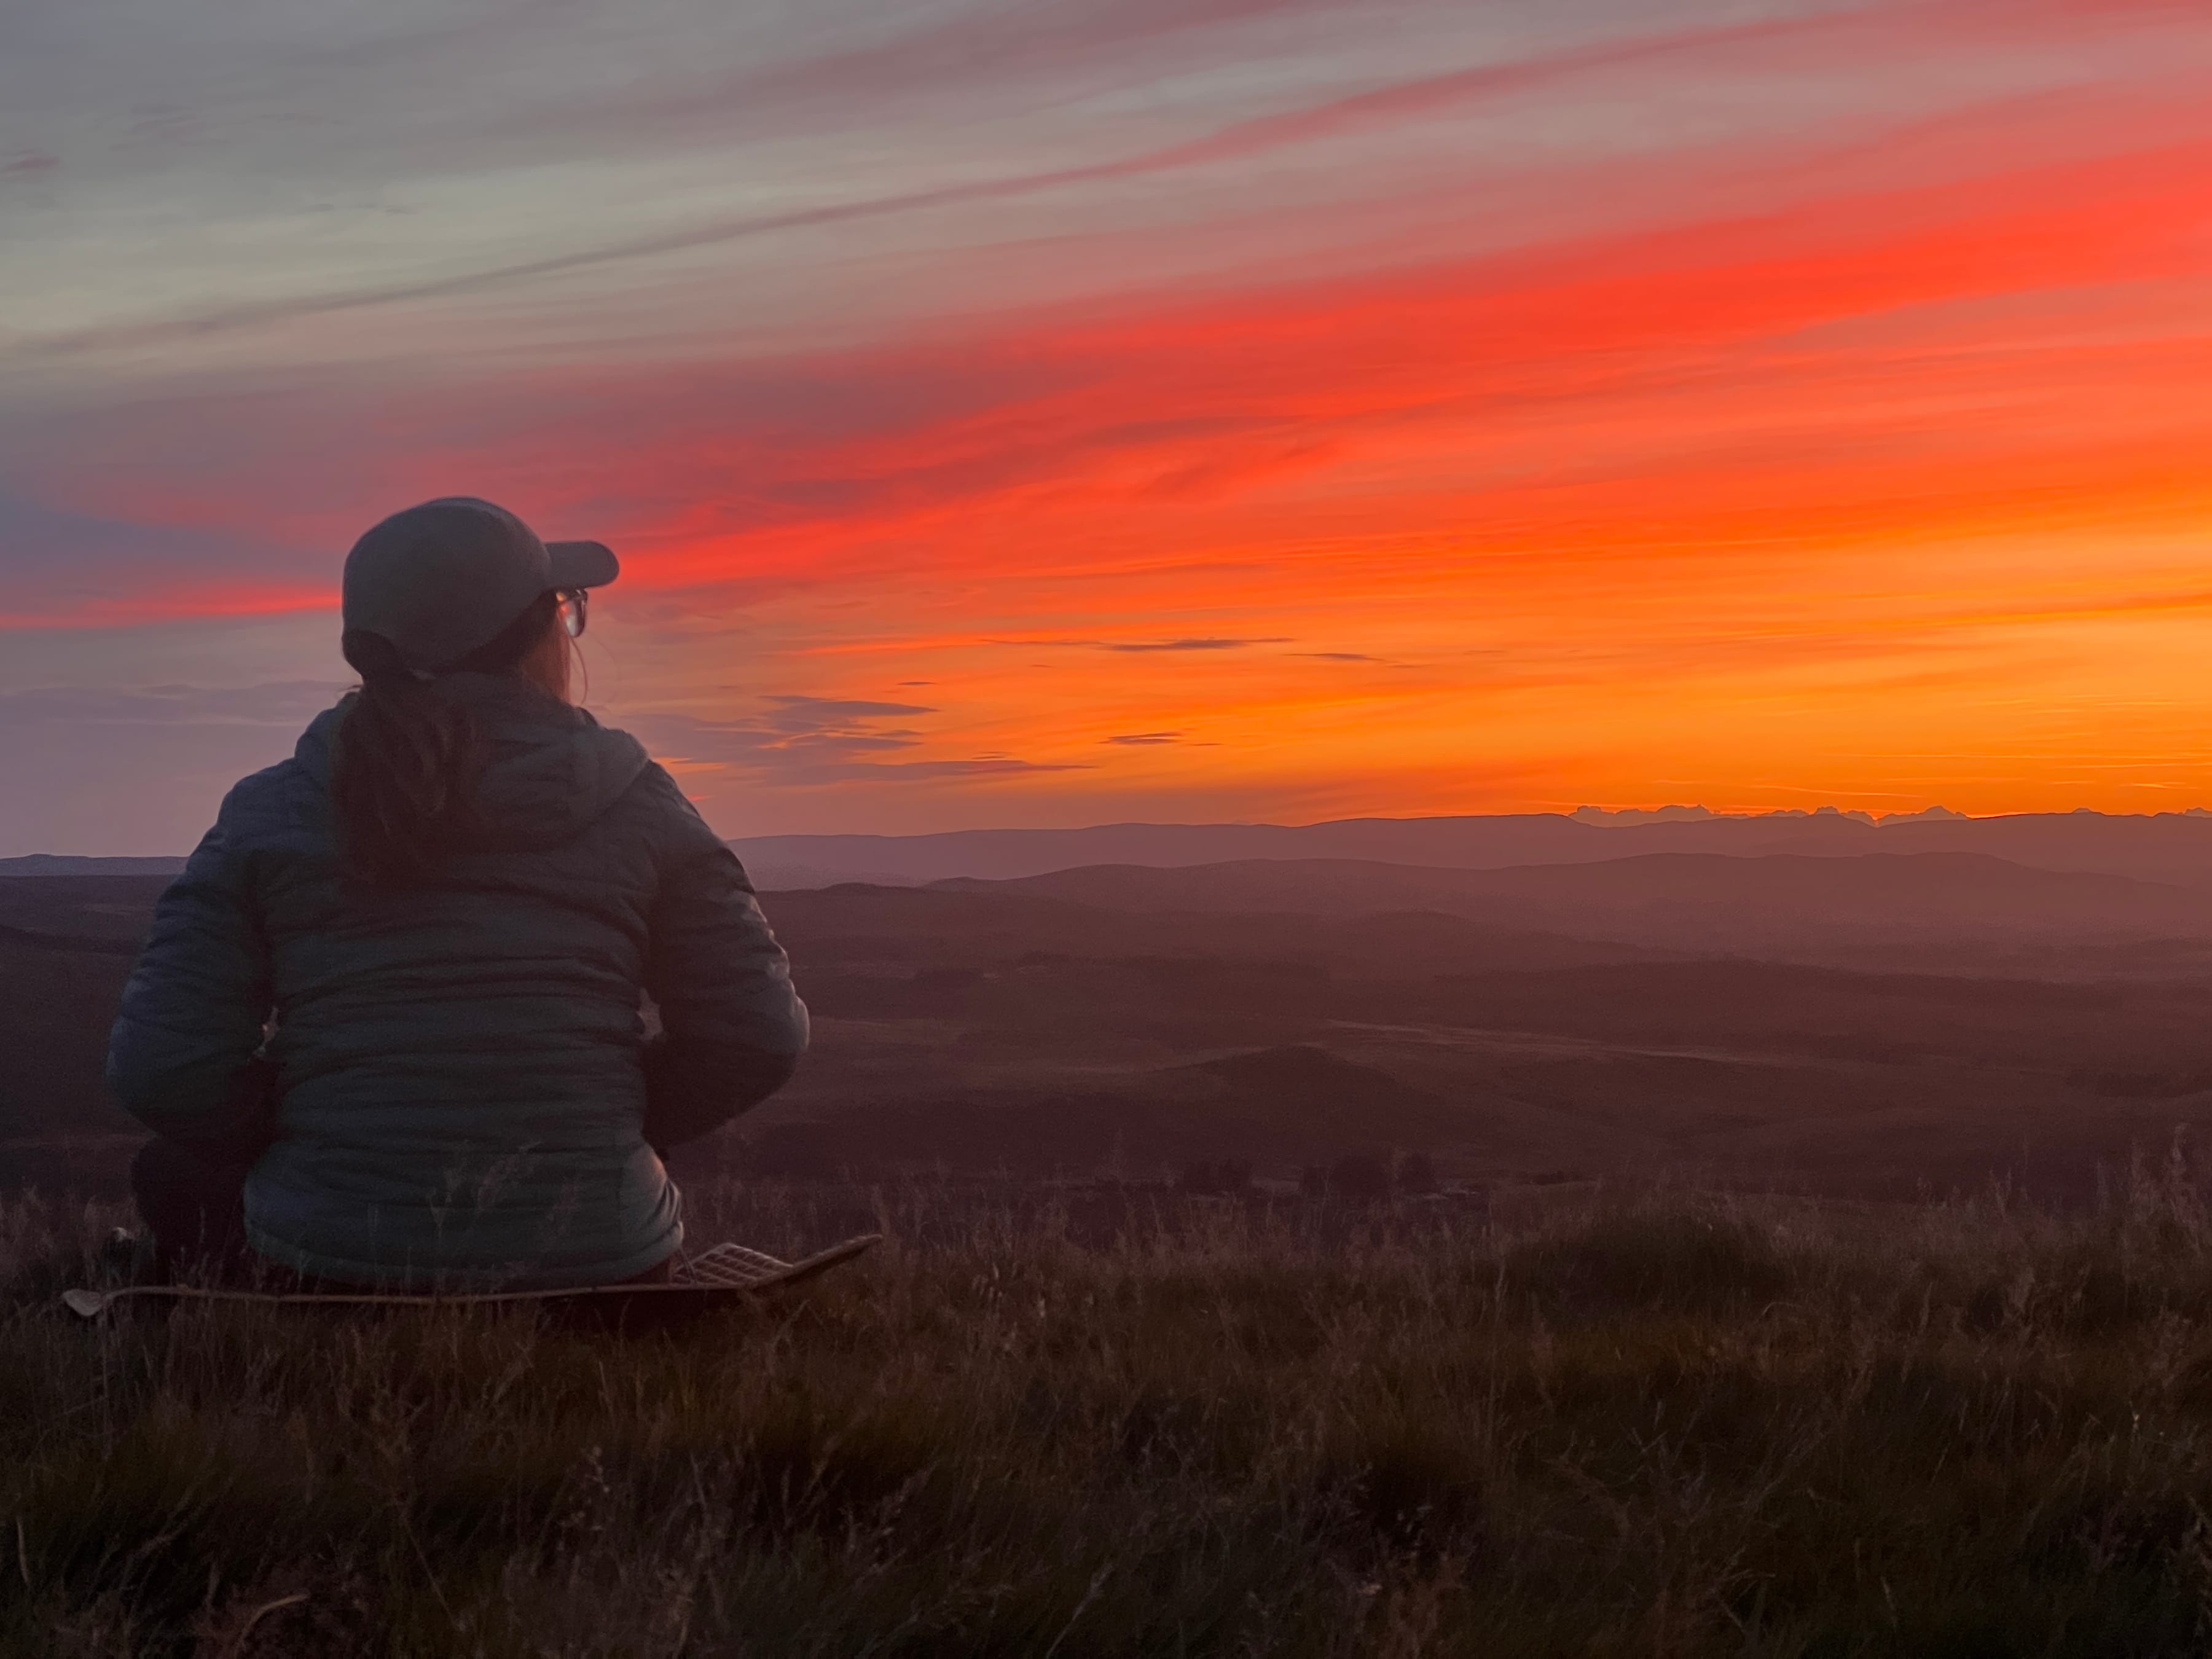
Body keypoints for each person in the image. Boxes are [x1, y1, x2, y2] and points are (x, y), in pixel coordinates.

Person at [108, 497, 808, 1290]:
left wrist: (307, 1125)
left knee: (172, 1174)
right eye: (568, 612)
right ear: (535, 637)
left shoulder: (272, 812)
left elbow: (161, 1065)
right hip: (603, 1272)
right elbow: (758, 1035)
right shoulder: (643, 805)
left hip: (329, 1268)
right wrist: (602, 1116)